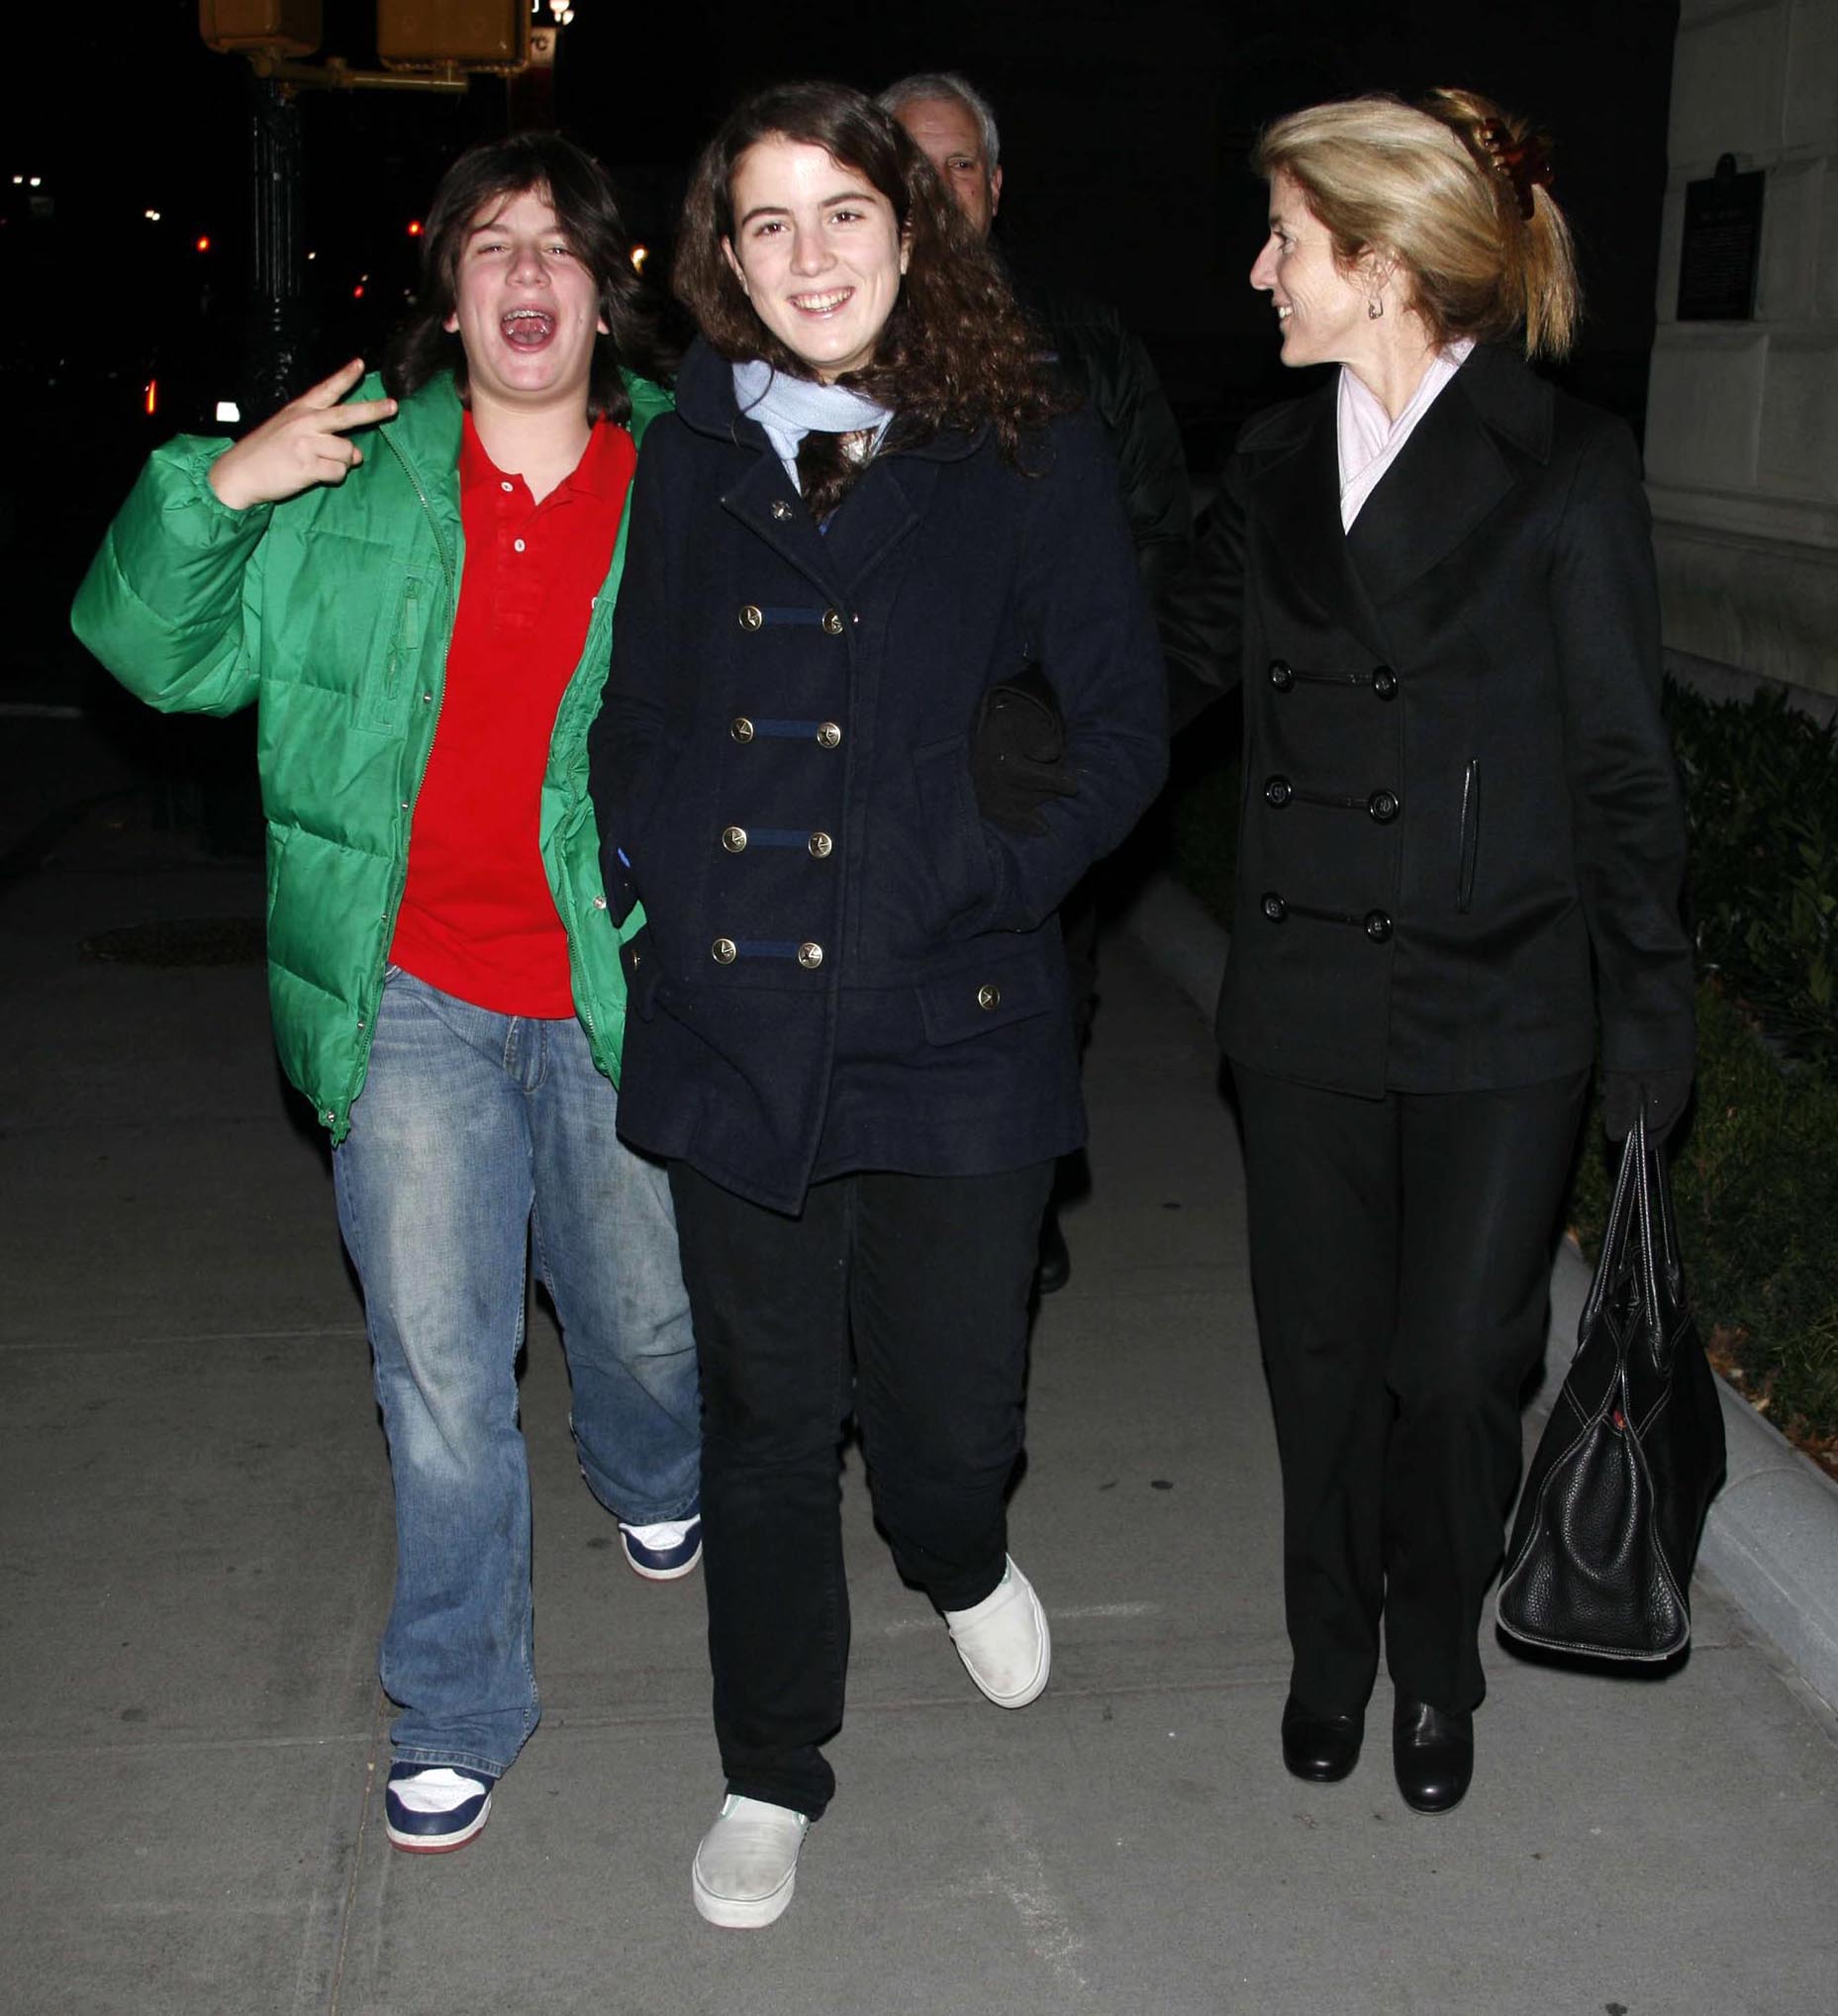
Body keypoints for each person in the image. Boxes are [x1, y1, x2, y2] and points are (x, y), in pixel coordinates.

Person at [71, 134, 702, 1856]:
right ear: (449, 285)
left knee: (644, 1318)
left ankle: (657, 1472)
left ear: (603, 286)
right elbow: (151, 652)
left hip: (611, 990)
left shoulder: (688, 480)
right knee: (440, 1368)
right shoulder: (349, 481)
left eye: (558, 248)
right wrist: (216, 489)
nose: (525, 277)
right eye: (492, 245)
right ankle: (457, 1699)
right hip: (407, 989)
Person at [587, 81, 1167, 1926]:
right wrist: (652, 872)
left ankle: (958, 1543)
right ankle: (770, 1765)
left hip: (955, 1008)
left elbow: (1126, 730)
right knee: (763, 1419)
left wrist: (972, 876)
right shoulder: (688, 452)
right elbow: (646, 712)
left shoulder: (1021, 447)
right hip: (739, 1008)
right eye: (767, 224)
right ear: (723, 263)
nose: (809, 256)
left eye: (843, 213)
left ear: (913, 232)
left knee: (937, 1420)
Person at [1158, 90, 1694, 1814]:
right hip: (1310, 995)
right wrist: (1006, 727)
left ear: (1379, 266)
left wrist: (1646, 1003)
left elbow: (1620, 759)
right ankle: (1331, 1643)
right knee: (1317, 1356)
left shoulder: (1565, 466)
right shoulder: (1265, 462)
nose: (1259, 276)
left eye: (1287, 244)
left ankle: (1436, 1653)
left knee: (1457, 1362)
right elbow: (1158, 656)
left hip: (1504, 993)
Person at [880, 68, 1192, 1292]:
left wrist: (1075, 700)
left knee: (1045, 984)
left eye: (960, 164)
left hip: (1032, 760)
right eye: (911, 163)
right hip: (877, 765)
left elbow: (1155, 528)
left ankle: (1013, 1199)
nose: (939, 187)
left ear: (995, 189)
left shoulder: (1083, 344)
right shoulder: (820, 334)